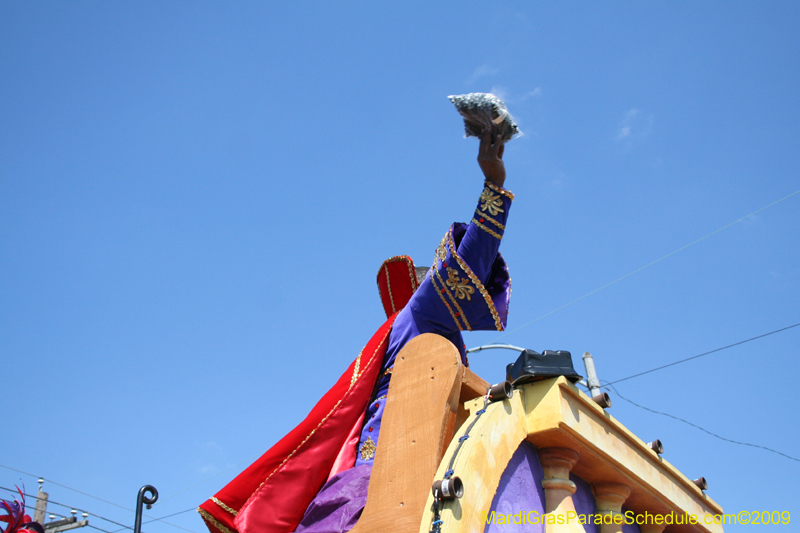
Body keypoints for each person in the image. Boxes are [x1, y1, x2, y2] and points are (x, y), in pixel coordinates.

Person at [198, 129, 514, 533]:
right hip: (384, 476)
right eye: (431, 277)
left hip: (409, 471)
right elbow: (471, 257)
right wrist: (494, 188)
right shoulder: (424, 308)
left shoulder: (429, 329)